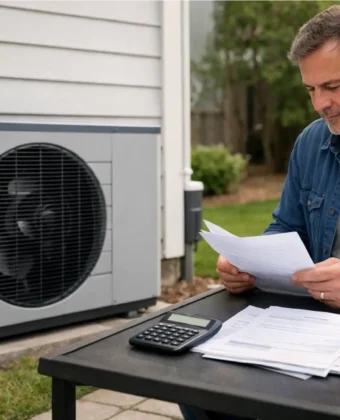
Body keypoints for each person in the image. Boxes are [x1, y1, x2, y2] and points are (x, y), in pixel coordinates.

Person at [179, 5, 340, 420]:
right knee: (198, 391)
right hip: (312, 328)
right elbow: (286, 226)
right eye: (310, 89)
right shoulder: (311, 143)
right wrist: (247, 260)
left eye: (334, 86)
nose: (321, 103)